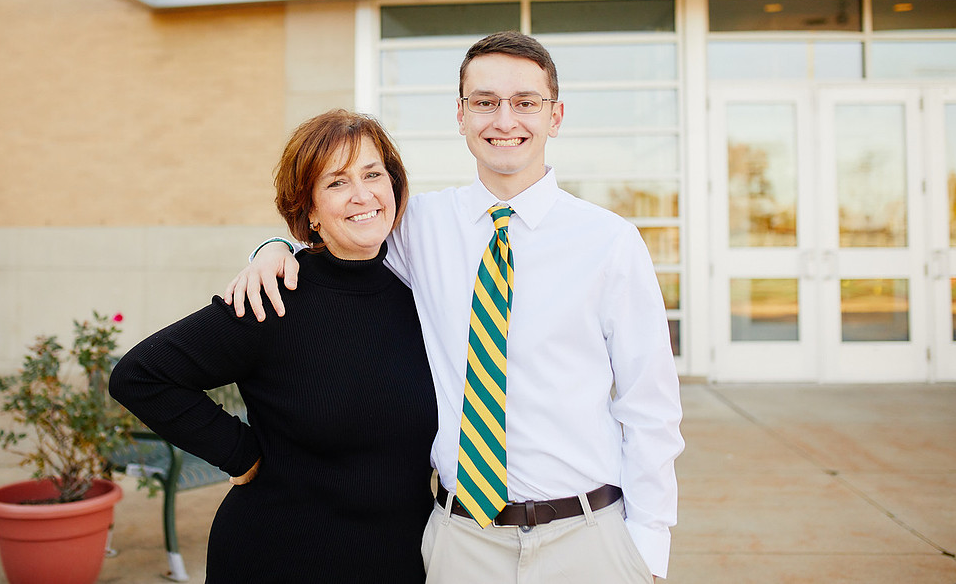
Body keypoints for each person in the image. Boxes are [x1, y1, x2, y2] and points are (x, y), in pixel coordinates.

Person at [227, 31, 685, 582]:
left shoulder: (610, 241)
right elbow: (336, 241)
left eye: (526, 103)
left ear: (555, 116)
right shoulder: (417, 226)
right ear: (462, 115)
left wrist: (648, 543)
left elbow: (649, 407)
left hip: (586, 535)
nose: (504, 120)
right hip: (460, 539)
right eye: (485, 102)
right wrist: (272, 248)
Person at [110, 110, 437, 584]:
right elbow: (142, 375)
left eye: (372, 174)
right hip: (282, 557)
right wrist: (240, 453)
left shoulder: (421, 294)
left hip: (400, 560)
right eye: (337, 183)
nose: (362, 194)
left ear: (395, 186)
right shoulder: (275, 297)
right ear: (309, 211)